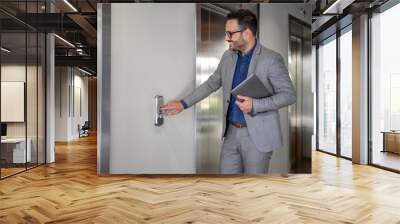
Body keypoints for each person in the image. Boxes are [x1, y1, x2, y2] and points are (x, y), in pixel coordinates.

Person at [161, 9, 296, 174]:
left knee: (252, 191)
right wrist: (183, 104)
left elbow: (289, 95)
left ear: (246, 33)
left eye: (230, 33)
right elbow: (211, 84)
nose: (226, 38)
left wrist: (255, 105)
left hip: (258, 137)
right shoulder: (228, 57)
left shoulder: (271, 59)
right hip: (231, 133)